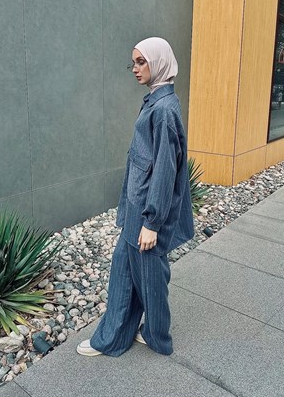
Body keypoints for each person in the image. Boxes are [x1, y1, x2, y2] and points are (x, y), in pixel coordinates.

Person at [76, 37, 194, 357]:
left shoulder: (164, 110)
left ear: (159, 62)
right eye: (134, 62)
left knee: (149, 276)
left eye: (142, 62)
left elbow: (165, 169)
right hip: (137, 208)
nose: (135, 68)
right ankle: (128, 335)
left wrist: (152, 222)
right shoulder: (156, 101)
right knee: (127, 270)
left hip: (146, 212)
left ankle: (152, 337)